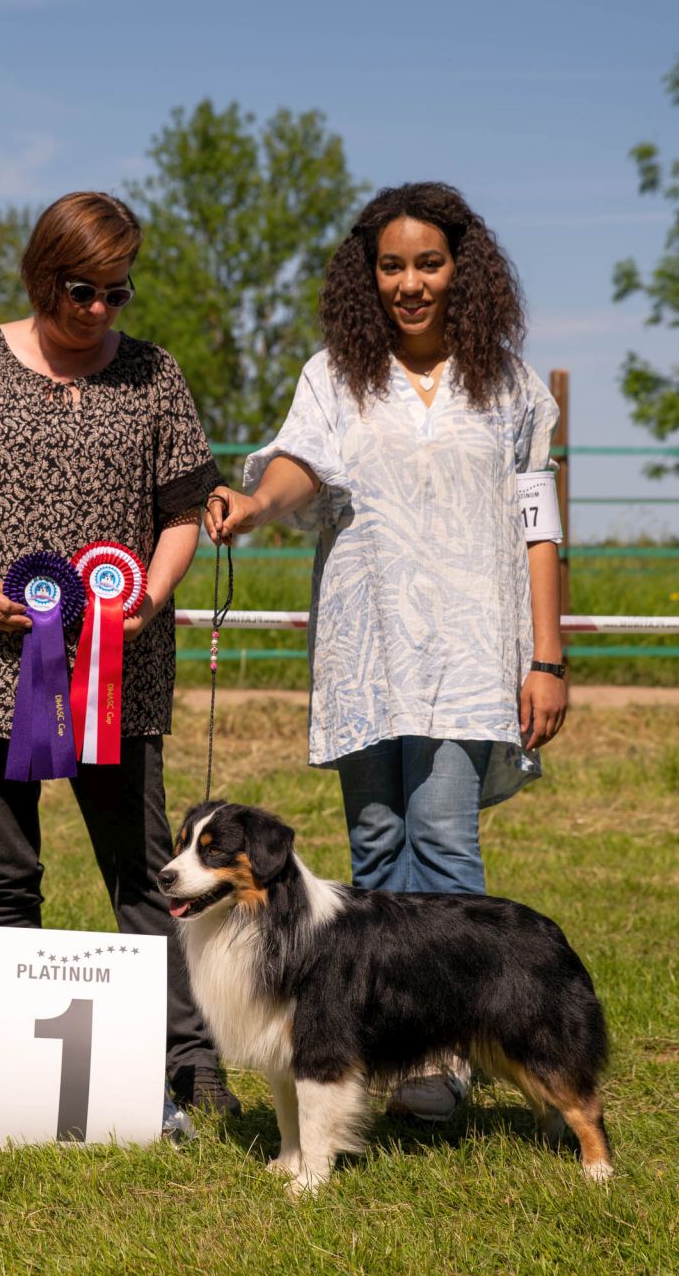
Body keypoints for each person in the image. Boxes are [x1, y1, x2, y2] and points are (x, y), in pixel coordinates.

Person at [205, 182, 567, 1121]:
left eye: (429, 263)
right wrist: (253, 504)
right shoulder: (334, 375)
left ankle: (444, 1060)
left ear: (463, 269)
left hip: (470, 652)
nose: (409, 283)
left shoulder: (513, 387)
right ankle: (381, 1047)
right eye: (391, 265)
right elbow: (298, 466)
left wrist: (547, 656)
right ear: (367, 275)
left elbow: (538, 526)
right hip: (365, 650)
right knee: (374, 847)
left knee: (442, 843)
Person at [0, 191, 239, 1118]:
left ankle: (193, 1063)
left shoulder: (156, 376)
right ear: (43, 277)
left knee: (151, 873)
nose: (100, 311)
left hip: (116, 674)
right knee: (0, 877)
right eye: (83, 291)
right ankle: (14, 1063)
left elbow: (179, 512)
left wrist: (150, 597)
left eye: (119, 294)